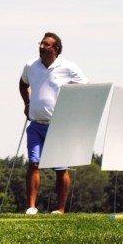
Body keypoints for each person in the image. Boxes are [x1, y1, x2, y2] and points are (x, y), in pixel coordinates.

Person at [19, 32, 89, 215]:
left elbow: (86, 88)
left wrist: (71, 112)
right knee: (33, 164)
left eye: (46, 44)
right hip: (35, 124)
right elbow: (22, 83)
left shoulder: (68, 67)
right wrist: (27, 103)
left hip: (58, 127)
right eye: (41, 43)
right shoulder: (31, 65)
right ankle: (31, 206)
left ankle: (60, 209)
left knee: (60, 168)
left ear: (56, 49)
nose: (41, 46)